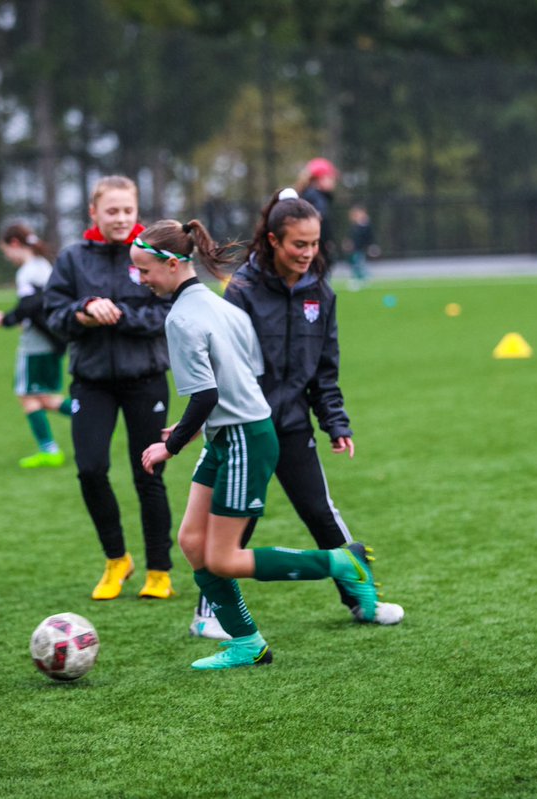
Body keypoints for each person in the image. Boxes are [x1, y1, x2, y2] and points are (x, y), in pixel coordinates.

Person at [133, 218, 386, 671]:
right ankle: (247, 643)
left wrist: (172, 445)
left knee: (224, 558)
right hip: (231, 432)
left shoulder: (183, 317)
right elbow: (240, 378)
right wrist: (194, 427)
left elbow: (207, 394)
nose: (142, 279)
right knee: (192, 541)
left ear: (172, 265)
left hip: (244, 437)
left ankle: (342, 563)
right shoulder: (223, 307)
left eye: (145, 270)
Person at [185, 189, 404, 640]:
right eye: (297, 244)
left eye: (314, 243)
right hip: (245, 427)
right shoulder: (241, 292)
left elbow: (325, 368)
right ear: (272, 241)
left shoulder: (320, 294)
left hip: (292, 425)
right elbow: (220, 364)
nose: (307, 253)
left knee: (321, 513)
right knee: (235, 521)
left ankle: (362, 601)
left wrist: (335, 422)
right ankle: (209, 613)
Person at [44, 176, 176, 601]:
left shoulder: (156, 256)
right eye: (112, 211)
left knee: (149, 474)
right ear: (93, 213)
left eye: (127, 211)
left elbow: (168, 313)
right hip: (92, 382)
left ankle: (159, 569)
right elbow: (53, 314)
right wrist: (82, 312)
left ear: (138, 213)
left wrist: (117, 316)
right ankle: (117, 559)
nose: (120, 219)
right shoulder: (72, 259)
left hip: (146, 380)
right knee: (90, 469)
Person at [0, 223, 72, 468]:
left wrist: (6, 319)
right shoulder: (43, 266)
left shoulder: (27, 271)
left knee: (28, 396)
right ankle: (84, 416)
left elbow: (30, 305)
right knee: (42, 397)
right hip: (52, 341)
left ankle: (51, 447)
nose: (7, 257)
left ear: (15, 244)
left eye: (6, 251)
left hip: (36, 345)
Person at [296, 157, 339, 264]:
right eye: (331, 177)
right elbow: (321, 222)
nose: (334, 182)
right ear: (320, 178)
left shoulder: (310, 195)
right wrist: (326, 243)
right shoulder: (316, 198)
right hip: (318, 254)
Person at [344, 204, 374, 290]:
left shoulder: (365, 225)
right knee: (356, 264)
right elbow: (351, 237)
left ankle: (362, 278)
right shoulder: (355, 225)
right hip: (354, 249)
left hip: (360, 248)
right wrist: (348, 243)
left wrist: (370, 246)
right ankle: (362, 277)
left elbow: (369, 237)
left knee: (359, 263)